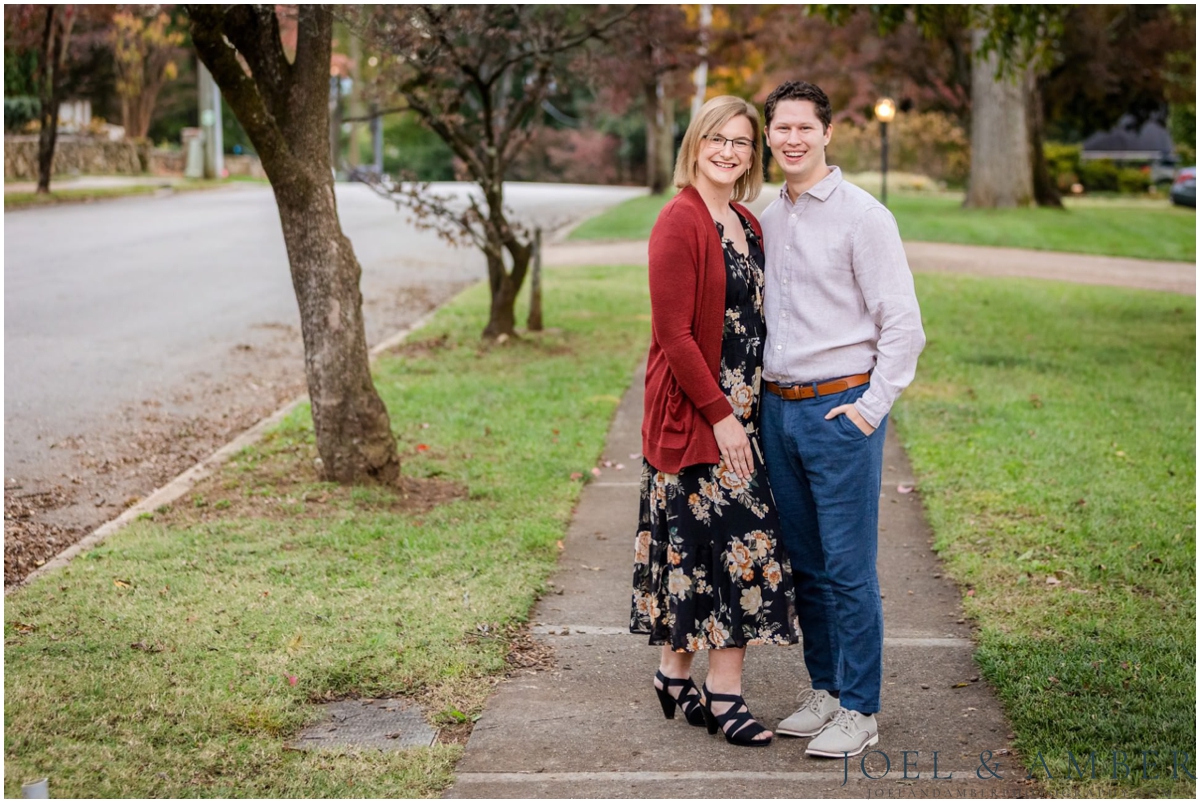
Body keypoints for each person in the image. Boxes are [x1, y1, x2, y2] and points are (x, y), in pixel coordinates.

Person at [758, 80, 926, 758]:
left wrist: (869, 409)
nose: (792, 139)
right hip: (778, 410)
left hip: (840, 409)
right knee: (806, 565)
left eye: (804, 127)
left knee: (849, 567)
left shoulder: (864, 216)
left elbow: (904, 326)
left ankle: (860, 706)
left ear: (827, 133)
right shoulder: (764, 217)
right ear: (769, 136)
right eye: (781, 128)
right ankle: (825, 688)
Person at [631, 95, 800, 747]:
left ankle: (675, 673)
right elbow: (674, 334)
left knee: (703, 554)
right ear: (695, 144)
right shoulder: (679, 221)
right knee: (742, 548)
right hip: (699, 417)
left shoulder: (747, 224)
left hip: (744, 416)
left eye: (741, 142)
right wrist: (722, 417)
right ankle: (725, 697)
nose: (729, 151)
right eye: (717, 139)